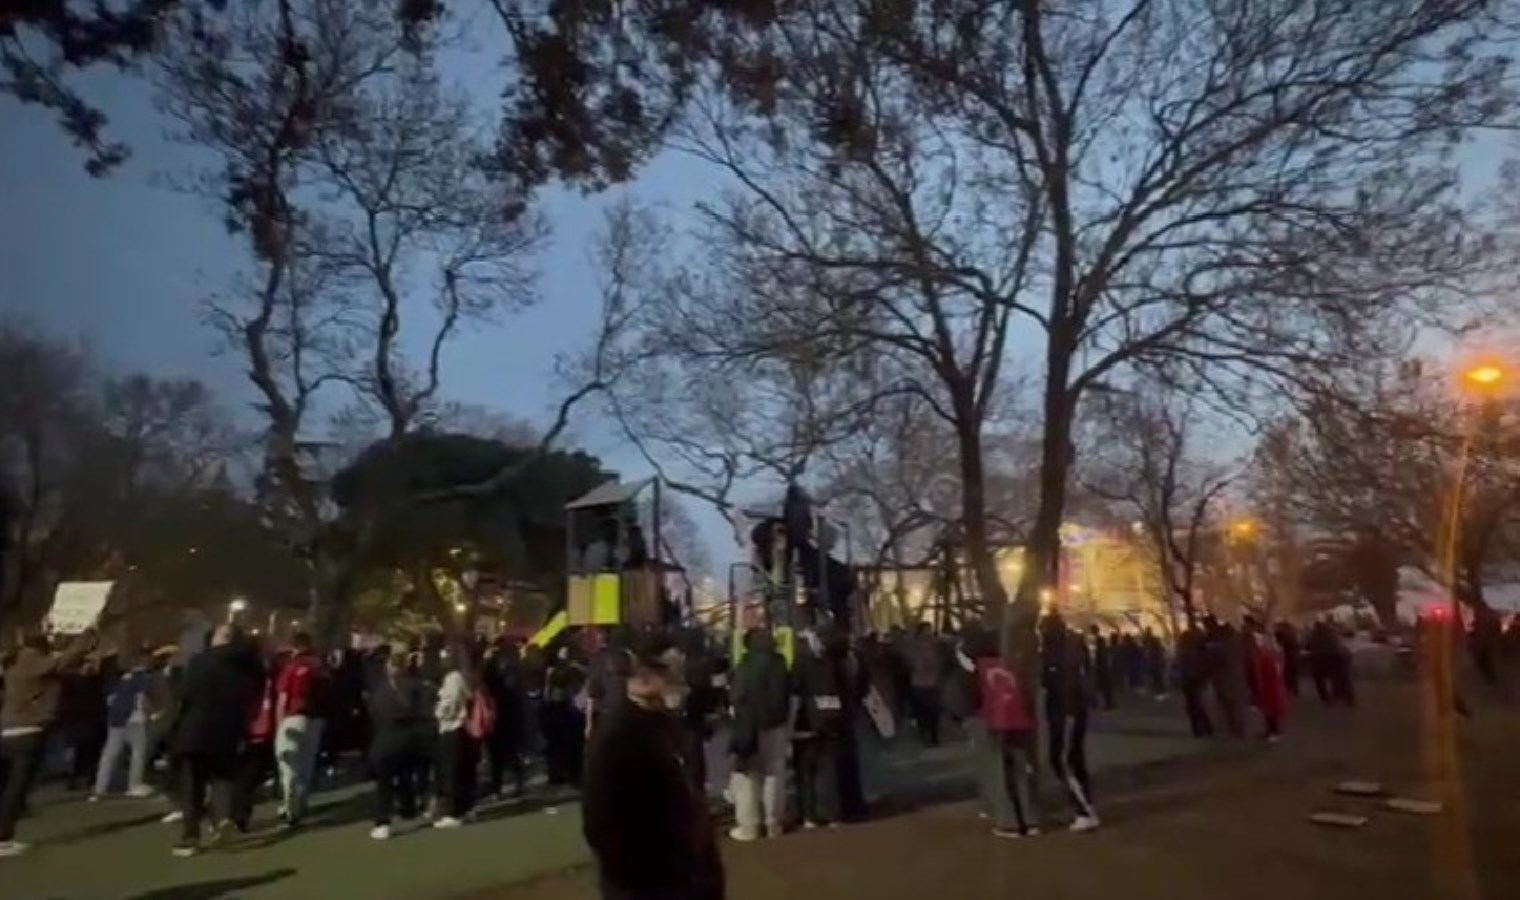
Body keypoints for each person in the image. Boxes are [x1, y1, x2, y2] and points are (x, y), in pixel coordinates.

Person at [583, 632, 725, 900]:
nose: (682, 683)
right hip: (652, 884)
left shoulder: (668, 727)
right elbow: (601, 823)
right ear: (645, 677)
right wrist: (638, 879)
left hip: (685, 876)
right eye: (673, 673)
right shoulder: (618, 738)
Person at [0, 628, 98, 857]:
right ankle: (3, 837)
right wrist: (86, 635)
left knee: (8, 786)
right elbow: (63, 661)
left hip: (7, 730)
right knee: (17, 787)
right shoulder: (31, 661)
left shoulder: (13, 664)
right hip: (28, 730)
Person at [171, 626, 261, 857]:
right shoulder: (249, 664)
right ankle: (223, 818)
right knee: (223, 777)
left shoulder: (200, 662)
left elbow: (185, 694)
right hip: (230, 726)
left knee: (193, 783)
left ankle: (191, 836)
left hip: (197, 726)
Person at [728, 628, 790, 841]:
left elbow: (736, 697)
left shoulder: (745, 666)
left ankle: (749, 826)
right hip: (777, 725)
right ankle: (773, 822)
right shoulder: (779, 663)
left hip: (750, 727)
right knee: (775, 773)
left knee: (748, 777)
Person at [366, 645, 433, 840]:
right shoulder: (416, 685)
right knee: (406, 773)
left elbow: (374, 714)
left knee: (384, 782)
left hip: (386, 737)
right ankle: (408, 808)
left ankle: (383, 822)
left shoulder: (379, 689)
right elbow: (425, 710)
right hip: (412, 736)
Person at [1041, 613, 1099, 833]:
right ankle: (1085, 805)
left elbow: (1065, 682)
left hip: (1066, 711)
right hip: (1072, 709)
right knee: (1073, 758)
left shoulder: (1058, 652)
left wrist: (1068, 710)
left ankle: (1084, 810)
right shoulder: (1071, 645)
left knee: (1063, 760)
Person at [274, 631, 329, 827]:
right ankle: (302, 802)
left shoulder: (292, 667)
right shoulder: (321, 667)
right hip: (316, 720)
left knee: (288, 766)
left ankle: (290, 808)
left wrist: (279, 724)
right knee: (307, 765)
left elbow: (283, 698)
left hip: (293, 717)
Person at [791, 629, 844, 829]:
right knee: (829, 769)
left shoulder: (801, 663)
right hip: (832, 719)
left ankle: (809, 815)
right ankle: (833, 813)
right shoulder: (834, 662)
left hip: (808, 721)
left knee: (806, 770)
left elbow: (795, 693)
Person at [92, 648, 156, 800]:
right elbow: (143, 699)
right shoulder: (142, 678)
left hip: (116, 720)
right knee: (138, 753)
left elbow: (110, 699)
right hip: (134, 719)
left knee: (109, 754)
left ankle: (100, 786)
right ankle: (134, 784)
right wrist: (150, 713)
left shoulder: (120, 679)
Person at [432, 655, 478, 828]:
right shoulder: (463, 677)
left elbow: (449, 705)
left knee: (451, 771)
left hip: (452, 727)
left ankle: (453, 812)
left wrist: (437, 713)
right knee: (464, 770)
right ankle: (466, 808)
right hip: (463, 728)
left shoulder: (452, 679)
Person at [484, 640, 528, 800]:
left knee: (508, 752)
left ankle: (511, 785)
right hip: (498, 713)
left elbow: (513, 690)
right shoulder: (491, 669)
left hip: (506, 713)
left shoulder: (511, 670)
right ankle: (498, 787)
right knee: (498, 754)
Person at [543, 644, 588, 787]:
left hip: (566, 707)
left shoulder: (569, 670)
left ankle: (563, 773)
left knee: (564, 744)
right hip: (562, 708)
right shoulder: (559, 671)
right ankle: (562, 774)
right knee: (564, 744)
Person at [1244, 617, 1288, 741]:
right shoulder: (1266, 647)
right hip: (1267, 681)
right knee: (1268, 707)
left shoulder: (1273, 648)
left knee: (1273, 706)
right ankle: (1270, 730)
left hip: (1272, 681)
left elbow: (1277, 663)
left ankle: (1275, 731)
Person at [907, 623, 944, 746]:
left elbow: (941, 662)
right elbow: (913, 664)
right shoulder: (915, 647)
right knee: (923, 711)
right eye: (926, 631)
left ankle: (934, 736)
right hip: (919, 683)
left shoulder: (936, 646)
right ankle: (924, 733)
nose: (928, 633)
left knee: (934, 711)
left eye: (930, 630)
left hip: (933, 683)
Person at [1176, 624, 1214, 738]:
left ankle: (1199, 728)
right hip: (1195, 679)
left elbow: (1180, 666)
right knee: (1198, 704)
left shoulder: (1184, 651)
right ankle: (1205, 728)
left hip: (1189, 680)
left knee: (1193, 705)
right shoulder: (1196, 650)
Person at [1273, 621, 1302, 698]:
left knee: (1288, 673)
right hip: (1293, 655)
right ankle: (1295, 690)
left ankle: (1289, 690)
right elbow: (1297, 644)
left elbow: (1281, 644)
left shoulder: (1282, 634)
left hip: (1287, 655)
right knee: (1293, 673)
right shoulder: (1293, 633)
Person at [1089, 626, 1115, 710]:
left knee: (1096, 685)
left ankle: (1096, 703)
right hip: (1102, 666)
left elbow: (1096, 654)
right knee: (1103, 686)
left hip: (1099, 666)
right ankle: (1107, 703)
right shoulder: (1100, 640)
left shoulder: (1094, 641)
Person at [1141, 627, 1168, 699]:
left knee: (1156, 678)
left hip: (1153, 664)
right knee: (1158, 678)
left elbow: (1147, 653)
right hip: (1156, 664)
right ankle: (1161, 691)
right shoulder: (1154, 645)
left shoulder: (1149, 646)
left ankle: (1159, 691)